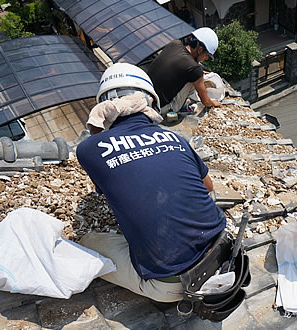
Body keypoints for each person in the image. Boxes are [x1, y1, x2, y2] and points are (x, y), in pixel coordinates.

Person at [77, 63, 226, 302]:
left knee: (88, 241)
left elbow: (115, 187)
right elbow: (208, 186)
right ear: (151, 103)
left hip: (174, 284)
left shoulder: (88, 149)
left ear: (104, 106)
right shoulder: (175, 137)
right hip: (221, 250)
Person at [147, 27, 221, 116]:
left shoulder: (175, 43)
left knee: (195, 76)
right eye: (207, 56)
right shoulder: (194, 69)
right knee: (196, 79)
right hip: (160, 108)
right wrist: (214, 103)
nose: (206, 59)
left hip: (148, 97)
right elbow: (205, 102)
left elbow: (179, 66)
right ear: (200, 49)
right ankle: (179, 107)